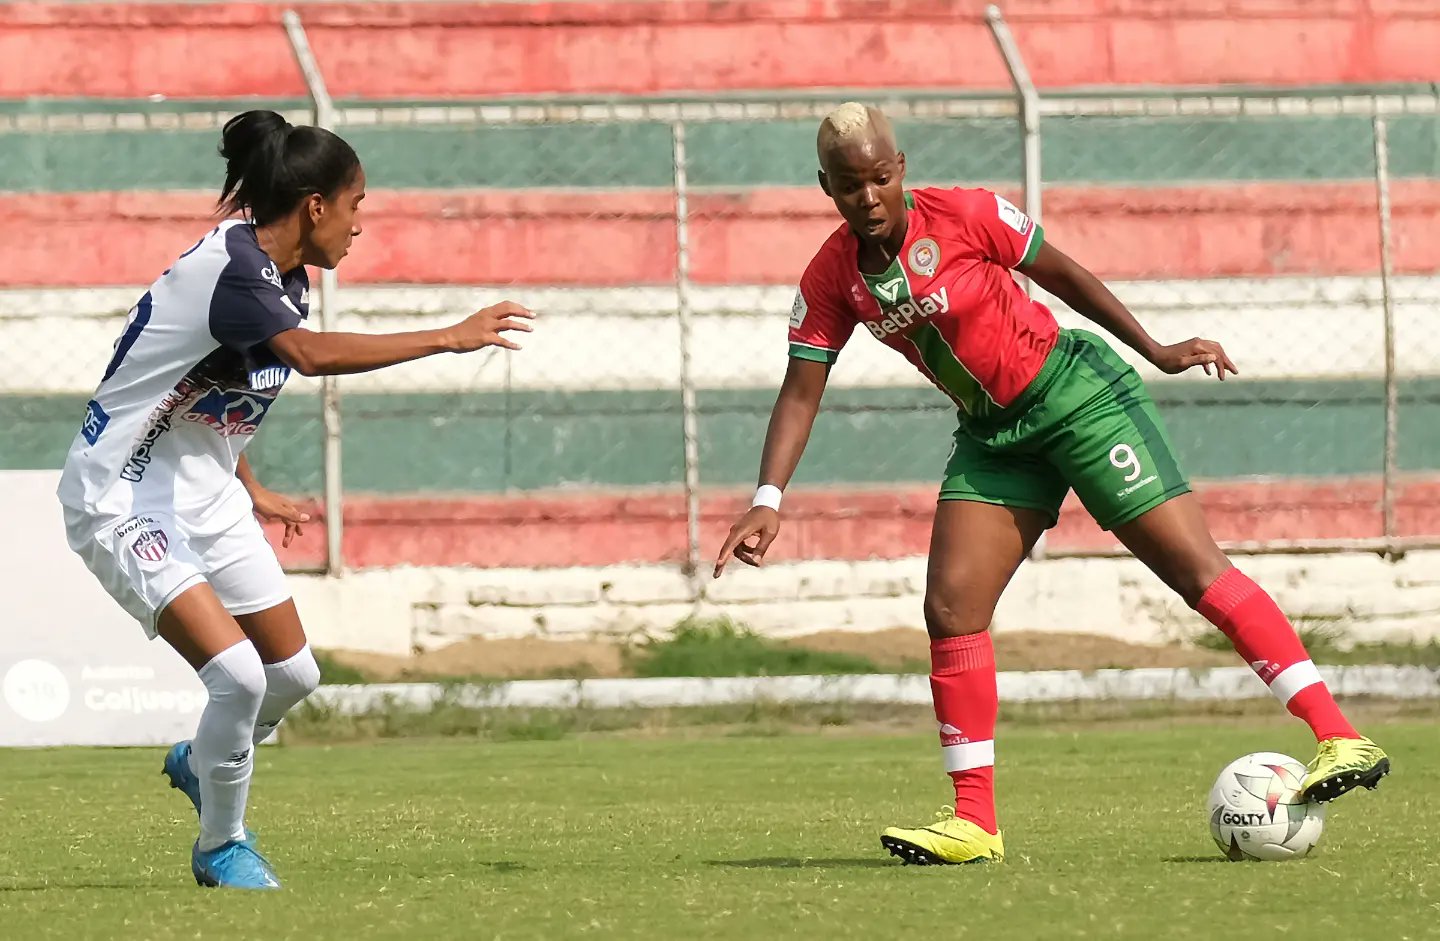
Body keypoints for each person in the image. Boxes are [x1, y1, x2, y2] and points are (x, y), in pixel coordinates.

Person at [712, 102, 1389, 865]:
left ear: (900, 168)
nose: (867, 197)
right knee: (950, 607)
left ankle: (1340, 736)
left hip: (1077, 398)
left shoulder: (965, 214)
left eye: (878, 178)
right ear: (825, 187)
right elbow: (801, 388)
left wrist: (1157, 350)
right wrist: (767, 498)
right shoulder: (832, 276)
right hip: (995, 438)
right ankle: (974, 820)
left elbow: (1061, 272)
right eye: (848, 185)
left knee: (1194, 570)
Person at [57, 110, 534, 889]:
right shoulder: (235, 272)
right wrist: (449, 335)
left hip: (206, 494)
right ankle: (221, 846)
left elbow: (195, 388)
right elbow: (307, 358)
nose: (359, 224)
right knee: (239, 678)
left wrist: (248, 485)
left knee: (293, 676)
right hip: (121, 496)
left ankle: (202, 761)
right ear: (315, 206)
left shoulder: (284, 278)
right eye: (356, 204)